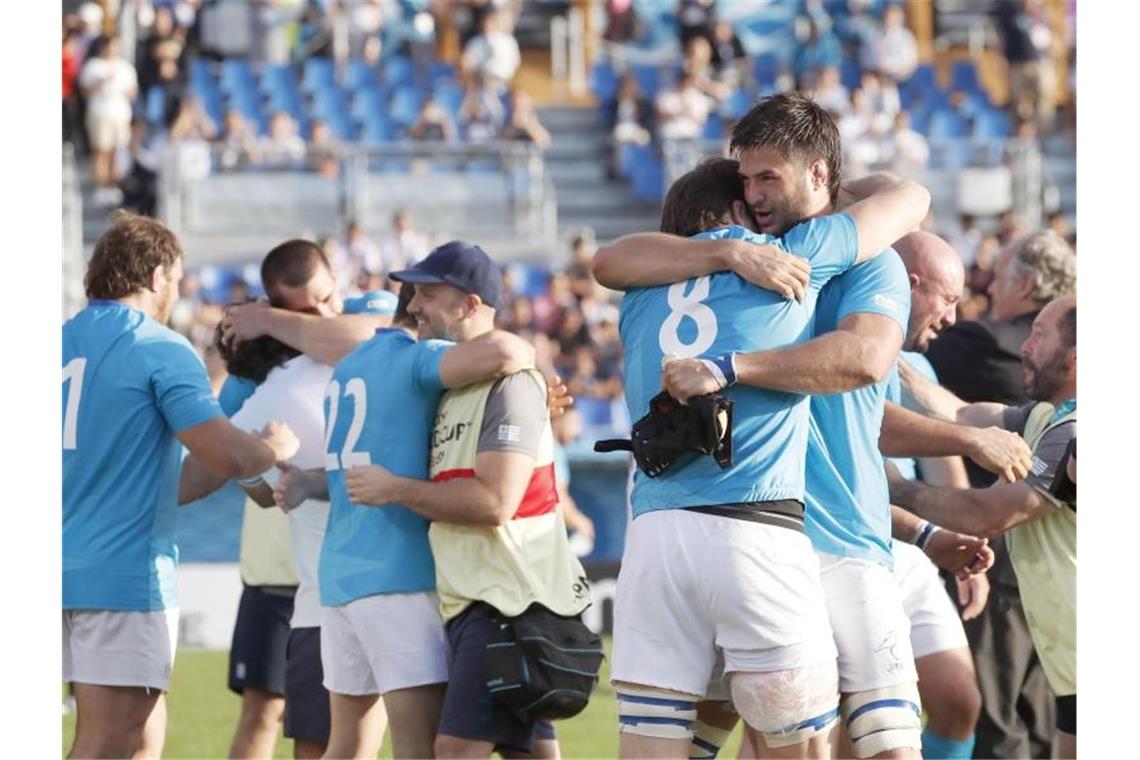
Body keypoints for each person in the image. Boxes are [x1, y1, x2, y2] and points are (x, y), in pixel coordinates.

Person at [600, 158, 1018, 758]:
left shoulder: (640, 290)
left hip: (657, 535)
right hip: (765, 534)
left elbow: (606, 261)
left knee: (681, 740)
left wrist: (926, 533)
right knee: (829, 741)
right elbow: (904, 207)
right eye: (754, 187)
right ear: (746, 217)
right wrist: (814, 200)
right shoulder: (793, 261)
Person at [273, 264, 541, 759]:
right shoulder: (417, 358)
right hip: (398, 575)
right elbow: (505, 352)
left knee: (346, 746)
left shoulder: (350, 367)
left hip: (338, 577)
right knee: (417, 747)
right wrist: (533, 364)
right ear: (416, 311)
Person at [63, 212, 299, 758]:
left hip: (61, 567)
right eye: (176, 279)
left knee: (143, 738)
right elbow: (228, 453)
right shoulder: (159, 346)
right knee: (107, 742)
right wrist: (273, 449)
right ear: (155, 275)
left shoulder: (59, 341)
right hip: (121, 576)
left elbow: (178, 483)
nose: (177, 291)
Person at [343, 242, 590, 758]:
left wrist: (394, 489)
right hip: (479, 598)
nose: (412, 305)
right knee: (530, 753)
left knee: (454, 750)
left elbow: (494, 502)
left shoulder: (513, 385)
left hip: (510, 599)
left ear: (471, 304)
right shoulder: (454, 384)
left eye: (428, 294)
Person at [888, 295, 1077, 759]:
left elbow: (986, 514)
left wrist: (894, 488)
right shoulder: (1043, 421)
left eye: (1039, 334)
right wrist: (886, 352)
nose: (1025, 346)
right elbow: (956, 413)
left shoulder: (1074, 436)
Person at [79, 35, 138, 202]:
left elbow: (133, 92)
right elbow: (84, 92)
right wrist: (101, 83)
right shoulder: (93, 66)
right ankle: (100, 186)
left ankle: (115, 185)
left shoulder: (126, 67)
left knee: (117, 152)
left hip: (121, 115)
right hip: (100, 113)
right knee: (101, 151)